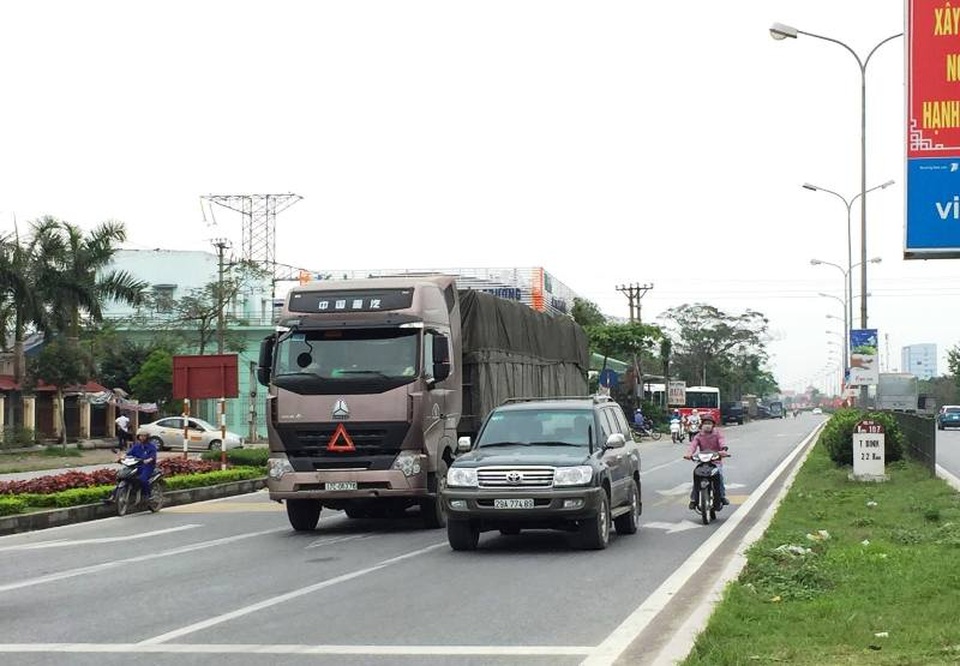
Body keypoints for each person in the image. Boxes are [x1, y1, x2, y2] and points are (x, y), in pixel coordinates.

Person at [684, 414, 728, 510]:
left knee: (719, 476)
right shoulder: (698, 436)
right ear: (702, 425)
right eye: (705, 423)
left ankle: (722, 496)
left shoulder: (717, 434)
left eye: (709, 423)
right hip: (703, 461)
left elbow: (722, 442)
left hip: (715, 461)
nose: (707, 425)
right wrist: (689, 454)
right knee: (696, 477)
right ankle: (694, 499)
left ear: (713, 425)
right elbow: (693, 446)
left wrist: (723, 450)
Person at [126, 431, 158, 499]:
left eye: (144, 436)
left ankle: (147, 494)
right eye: (141, 436)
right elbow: (129, 454)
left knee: (142, 479)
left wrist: (148, 460)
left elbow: (153, 457)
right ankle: (113, 497)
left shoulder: (151, 447)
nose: (142, 438)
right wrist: (122, 457)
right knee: (124, 476)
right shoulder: (137, 446)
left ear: (147, 437)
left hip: (148, 467)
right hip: (136, 465)